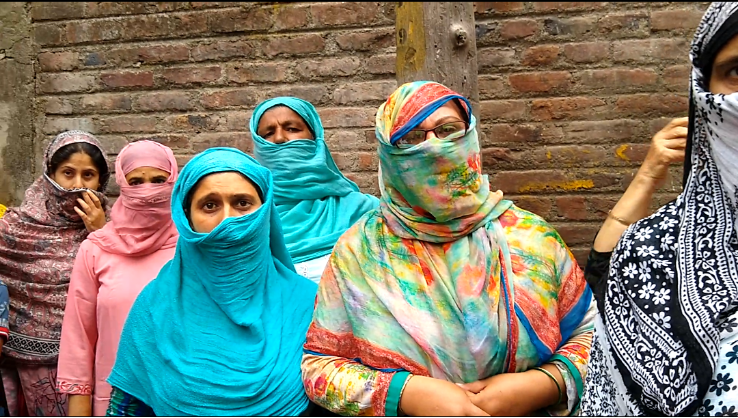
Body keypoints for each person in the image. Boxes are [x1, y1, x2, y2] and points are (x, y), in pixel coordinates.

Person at [301, 81, 596, 416]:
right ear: (388, 152)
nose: (433, 147)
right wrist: (404, 393)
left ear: (469, 135)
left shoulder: (531, 237)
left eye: (447, 130)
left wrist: (546, 384)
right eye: (412, 137)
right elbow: (319, 367)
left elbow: (595, 335)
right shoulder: (360, 251)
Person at [580, 3, 738, 416]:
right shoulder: (655, 250)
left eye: (450, 133)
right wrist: (650, 171)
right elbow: (600, 275)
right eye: (737, 73)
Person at [105, 147, 319, 416]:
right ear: (187, 218)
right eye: (209, 205)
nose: (227, 220)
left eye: (242, 203)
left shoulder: (310, 304)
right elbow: (127, 409)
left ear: (264, 212)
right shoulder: (154, 306)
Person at [55, 140, 179, 416]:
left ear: (174, 182)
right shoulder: (96, 249)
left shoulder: (191, 246)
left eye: (159, 180)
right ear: (121, 184)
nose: (147, 191)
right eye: (136, 181)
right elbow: (79, 337)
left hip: (180, 400)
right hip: (114, 402)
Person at [0, 130, 110, 416]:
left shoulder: (114, 232)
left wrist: (101, 233)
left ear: (101, 181)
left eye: (88, 175)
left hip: (85, 365)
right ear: (50, 175)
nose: (76, 185)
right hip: (14, 364)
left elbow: (118, 286)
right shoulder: (14, 227)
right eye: (68, 173)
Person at [249, 97, 379, 283]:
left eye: (292, 129)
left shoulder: (365, 211)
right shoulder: (251, 220)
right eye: (267, 133)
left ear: (314, 137)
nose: (279, 138)